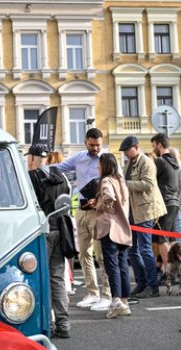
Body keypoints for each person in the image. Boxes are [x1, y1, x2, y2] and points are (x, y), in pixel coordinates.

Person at [52, 128, 112, 312]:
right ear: (86, 142)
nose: (95, 148)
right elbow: (57, 168)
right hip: (82, 209)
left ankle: (107, 296)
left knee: (101, 256)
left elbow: (117, 183)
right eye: (92, 145)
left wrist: (100, 201)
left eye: (98, 145)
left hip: (99, 212)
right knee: (84, 253)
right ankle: (92, 293)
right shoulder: (78, 158)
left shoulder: (107, 159)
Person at [26, 144, 72, 339]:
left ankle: (46, 323)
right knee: (57, 278)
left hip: (42, 232)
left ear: (32, 159)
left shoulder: (32, 177)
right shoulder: (60, 175)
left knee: (41, 278)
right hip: (60, 230)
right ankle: (64, 324)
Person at [119, 135, 166, 299]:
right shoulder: (130, 163)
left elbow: (148, 184)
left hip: (146, 211)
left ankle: (153, 287)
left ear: (136, 147)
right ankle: (142, 282)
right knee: (133, 249)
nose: (125, 153)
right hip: (132, 211)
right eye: (124, 151)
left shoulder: (146, 162)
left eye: (127, 150)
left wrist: (125, 184)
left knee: (145, 249)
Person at [94, 152, 132, 319]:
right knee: (122, 265)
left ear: (104, 165)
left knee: (112, 266)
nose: (97, 166)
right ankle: (124, 301)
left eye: (99, 164)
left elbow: (109, 197)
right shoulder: (121, 181)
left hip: (110, 228)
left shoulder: (106, 181)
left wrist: (101, 205)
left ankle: (116, 301)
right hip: (123, 228)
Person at [150, 133, 181, 285]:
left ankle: (171, 273)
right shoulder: (175, 162)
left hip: (164, 204)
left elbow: (149, 179)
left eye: (154, 146)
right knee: (172, 239)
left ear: (159, 145)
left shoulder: (160, 161)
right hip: (174, 203)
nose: (153, 149)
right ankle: (170, 271)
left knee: (162, 240)